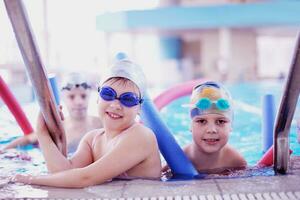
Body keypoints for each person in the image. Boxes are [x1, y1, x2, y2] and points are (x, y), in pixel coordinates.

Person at [10, 59, 162, 188]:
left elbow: (85, 178)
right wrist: (42, 133)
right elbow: (63, 173)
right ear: (97, 97)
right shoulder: (93, 139)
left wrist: (29, 180)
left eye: (128, 99)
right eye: (108, 94)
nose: (116, 104)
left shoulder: (141, 136)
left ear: (139, 107)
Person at [1, 73, 102, 153]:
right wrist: (3, 151)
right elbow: (29, 139)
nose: (79, 102)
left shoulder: (100, 124)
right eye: (71, 97)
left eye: (83, 96)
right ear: (63, 98)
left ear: (90, 96)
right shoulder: (58, 126)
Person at [183, 81, 247, 174]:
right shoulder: (181, 157)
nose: (211, 130)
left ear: (231, 126)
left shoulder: (235, 160)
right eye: (202, 121)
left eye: (220, 121)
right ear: (190, 125)